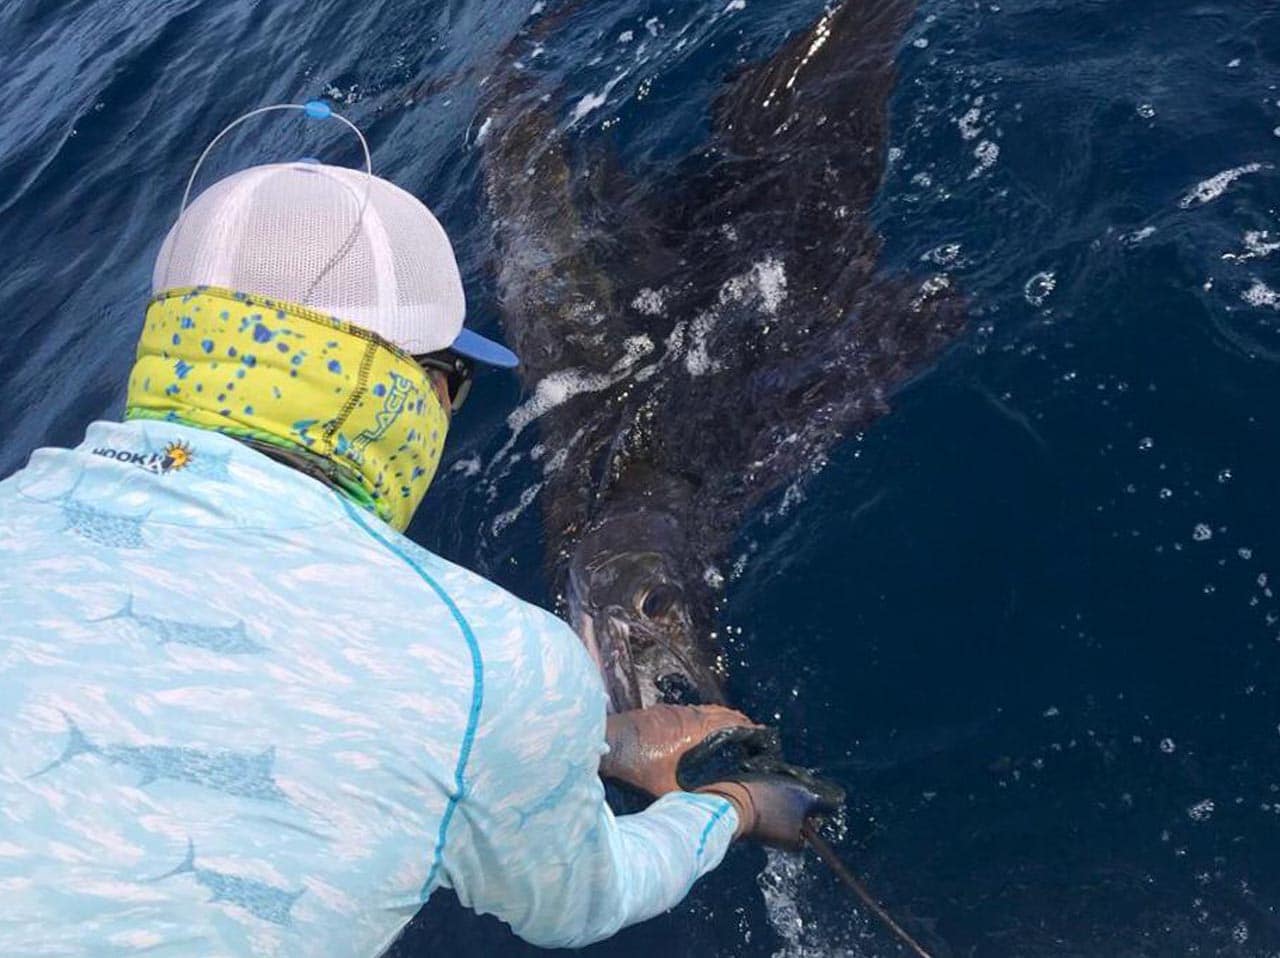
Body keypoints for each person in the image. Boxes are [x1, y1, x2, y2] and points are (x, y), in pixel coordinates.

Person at [0, 108, 834, 956]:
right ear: (412, 388)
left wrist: (584, 746)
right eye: (455, 381)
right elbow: (585, 898)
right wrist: (735, 804)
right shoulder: (498, 656)